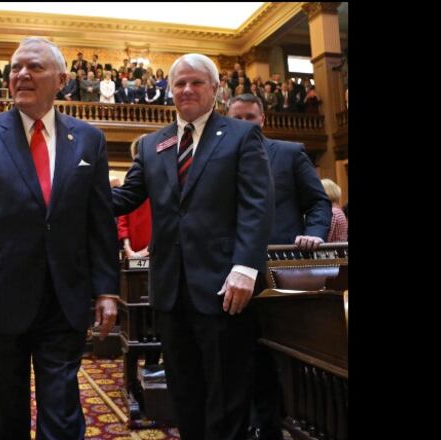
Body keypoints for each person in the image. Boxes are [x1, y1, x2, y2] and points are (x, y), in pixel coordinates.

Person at [0, 37, 119, 440]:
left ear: (62, 80)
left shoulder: (90, 139)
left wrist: (107, 289)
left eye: (34, 67)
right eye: (15, 68)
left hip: (65, 298)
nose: (21, 74)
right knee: (3, 411)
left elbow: (100, 221)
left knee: (62, 411)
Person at [112, 53, 274, 439]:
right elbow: (123, 199)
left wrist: (245, 268)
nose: (186, 89)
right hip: (170, 289)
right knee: (184, 389)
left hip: (225, 286)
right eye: (179, 83)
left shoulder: (240, 135)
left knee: (227, 390)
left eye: (196, 82)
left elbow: (257, 206)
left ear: (216, 90)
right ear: (170, 90)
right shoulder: (153, 144)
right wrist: (69, 189)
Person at [228, 93, 332, 440]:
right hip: (233, 271)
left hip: (281, 272)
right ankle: (252, 425)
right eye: (236, 118)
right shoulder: (219, 160)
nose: (243, 124)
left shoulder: (288, 153)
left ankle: (282, 424)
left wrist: (314, 234)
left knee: (282, 355)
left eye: (250, 117)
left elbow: (318, 203)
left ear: (263, 119)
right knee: (241, 356)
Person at [117, 134, 151, 259]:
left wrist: (148, 250)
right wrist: (128, 249)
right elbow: (123, 218)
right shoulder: (130, 180)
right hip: (133, 251)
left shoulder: (162, 180)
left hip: (156, 251)